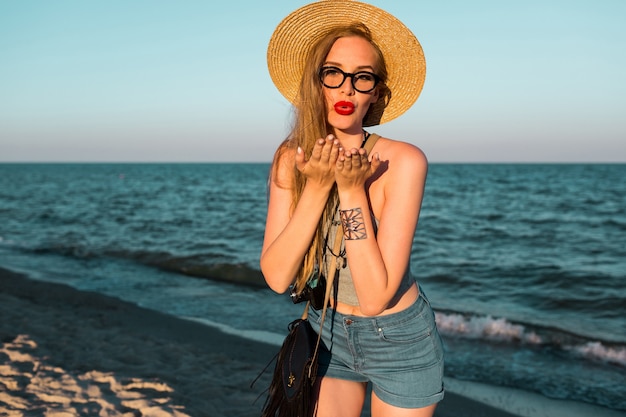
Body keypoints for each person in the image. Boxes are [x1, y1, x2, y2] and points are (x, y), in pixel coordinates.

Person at [260, 1, 444, 416]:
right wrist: (319, 185)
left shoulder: (404, 161)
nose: (346, 88)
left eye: (362, 78)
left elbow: (377, 296)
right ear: (316, 82)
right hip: (324, 332)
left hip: (399, 339)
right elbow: (276, 275)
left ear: (376, 92)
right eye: (334, 73)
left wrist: (350, 189)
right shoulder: (291, 157)